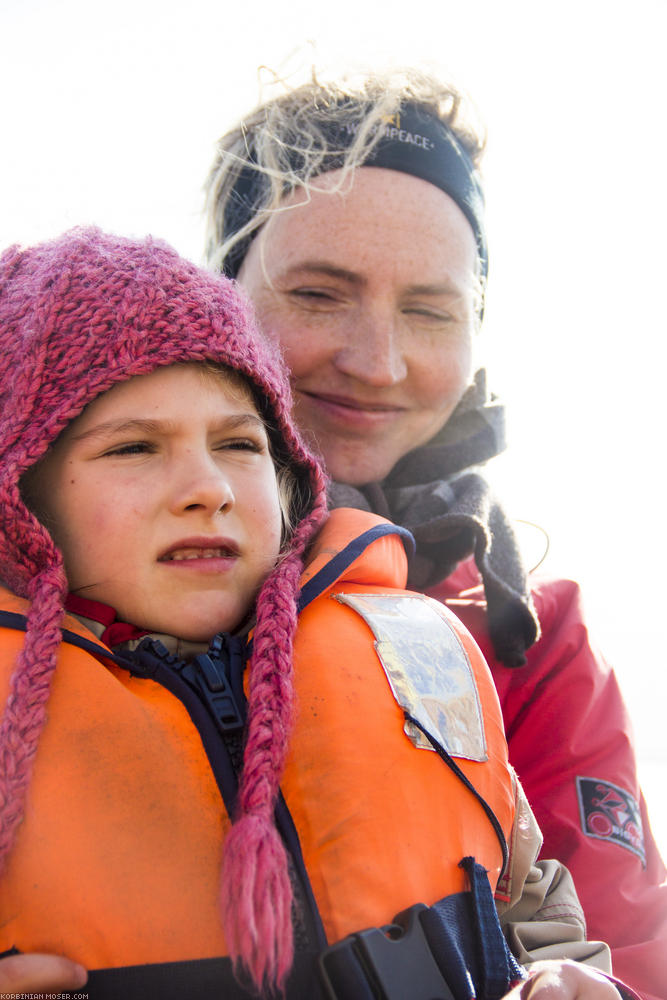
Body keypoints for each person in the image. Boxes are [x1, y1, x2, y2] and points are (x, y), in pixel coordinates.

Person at [0, 227, 634, 999]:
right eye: (133, 448)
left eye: (240, 443)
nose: (209, 487)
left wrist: (563, 983)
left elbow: (530, 910)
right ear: (19, 492)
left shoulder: (410, 666)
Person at [203, 69, 667, 998]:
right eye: (319, 293)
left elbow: (633, 954)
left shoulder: (532, 642)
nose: (377, 361)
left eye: (429, 309)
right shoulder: (52, 571)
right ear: (216, 298)